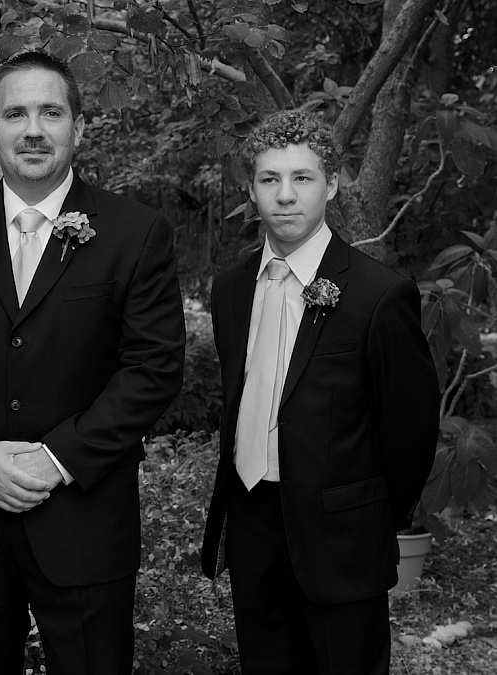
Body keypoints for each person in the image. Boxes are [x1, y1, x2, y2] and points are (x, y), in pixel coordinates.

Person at [0, 51, 186, 674]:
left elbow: (153, 369)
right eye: (15, 113)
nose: (33, 128)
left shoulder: (136, 233)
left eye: (50, 112)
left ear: (78, 127)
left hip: (85, 524)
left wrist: (56, 458)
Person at [199, 109, 440, 674]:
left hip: (340, 535)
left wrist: (370, 518)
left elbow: (410, 429)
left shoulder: (379, 294)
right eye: (269, 179)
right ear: (251, 188)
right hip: (253, 520)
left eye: (302, 178)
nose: (285, 195)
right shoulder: (232, 289)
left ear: (331, 185)